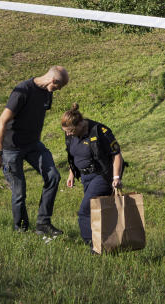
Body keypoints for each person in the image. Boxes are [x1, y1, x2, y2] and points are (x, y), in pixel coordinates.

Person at [0, 65, 68, 236]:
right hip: (11, 148)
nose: (57, 90)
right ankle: (21, 230)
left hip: (33, 145)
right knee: (19, 192)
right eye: (58, 86)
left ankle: (43, 224)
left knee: (53, 176)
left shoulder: (48, 92)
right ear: (53, 80)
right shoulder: (22, 91)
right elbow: (2, 121)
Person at [61, 103, 124, 249]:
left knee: (85, 211)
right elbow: (73, 155)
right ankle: (109, 244)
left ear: (80, 124)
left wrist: (116, 178)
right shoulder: (70, 134)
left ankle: (93, 246)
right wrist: (72, 173)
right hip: (85, 177)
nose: (68, 134)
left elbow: (117, 155)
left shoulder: (100, 131)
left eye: (70, 131)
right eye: (66, 131)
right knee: (97, 212)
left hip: (102, 175)